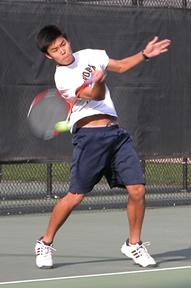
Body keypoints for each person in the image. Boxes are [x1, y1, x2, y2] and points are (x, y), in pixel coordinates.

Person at [35, 24, 171, 269]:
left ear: (67, 40)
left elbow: (120, 66)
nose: (62, 51)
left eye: (63, 44)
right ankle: (45, 242)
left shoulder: (91, 54)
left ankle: (133, 244)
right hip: (89, 138)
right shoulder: (62, 77)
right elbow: (95, 95)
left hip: (115, 134)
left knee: (138, 189)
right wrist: (98, 81)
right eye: (55, 50)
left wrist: (144, 55)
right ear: (49, 56)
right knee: (75, 197)